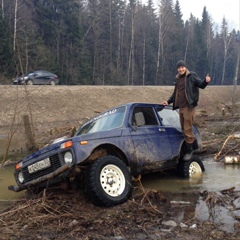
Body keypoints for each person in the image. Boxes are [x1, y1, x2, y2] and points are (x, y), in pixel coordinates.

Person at [163, 60, 211, 160]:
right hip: (180, 107)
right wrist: (168, 102)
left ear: (186, 67)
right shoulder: (178, 78)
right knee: (184, 128)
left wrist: (206, 81)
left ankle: (189, 151)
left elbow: (201, 85)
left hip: (189, 107)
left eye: (182, 67)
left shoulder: (191, 75)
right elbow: (175, 93)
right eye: (179, 67)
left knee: (187, 129)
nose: (181, 69)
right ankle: (196, 147)